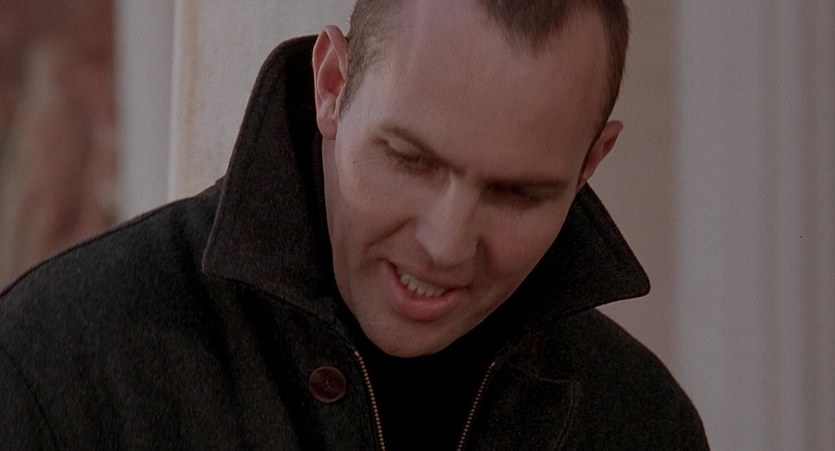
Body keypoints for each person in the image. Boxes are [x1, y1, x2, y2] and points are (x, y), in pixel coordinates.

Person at [0, 0, 709, 449]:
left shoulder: (640, 422)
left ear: (590, 163)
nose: (445, 245)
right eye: (410, 159)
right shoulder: (62, 357)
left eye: (517, 193)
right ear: (332, 85)